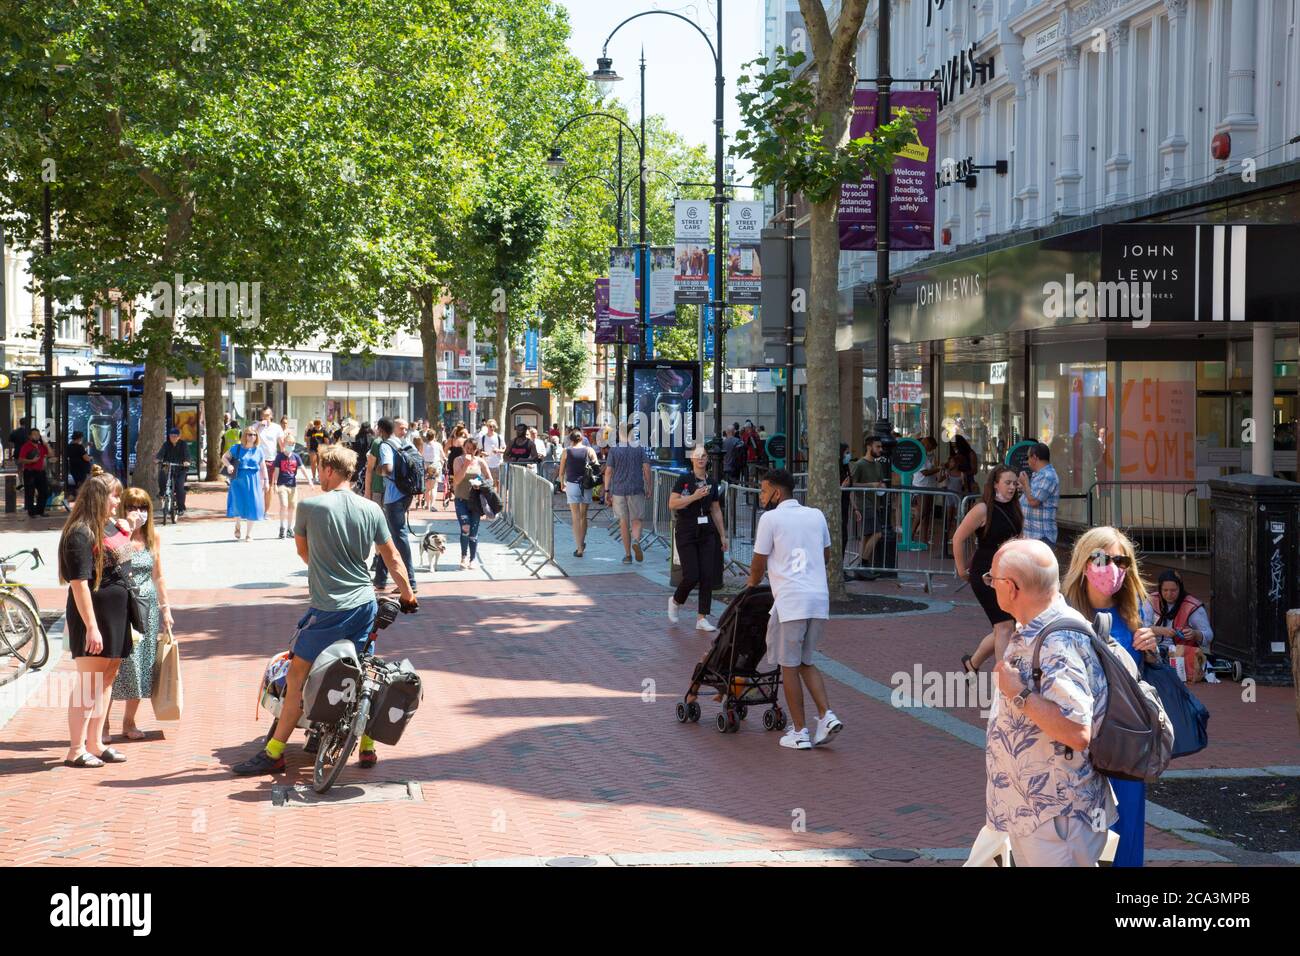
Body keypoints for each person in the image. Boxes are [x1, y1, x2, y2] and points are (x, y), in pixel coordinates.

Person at [233, 444, 417, 775]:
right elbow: (392, 557)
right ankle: (367, 747)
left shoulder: (310, 507)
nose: (318, 475)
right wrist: (408, 595)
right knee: (363, 671)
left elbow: (303, 552)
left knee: (297, 675)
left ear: (330, 470)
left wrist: (325, 568)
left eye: (320, 469)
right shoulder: (371, 509)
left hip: (328, 608)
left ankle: (274, 752)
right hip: (364, 604)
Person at [984, 538, 1121, 866]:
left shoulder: (1057, 641)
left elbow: (1076, 731)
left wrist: (1018, 693)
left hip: (1058, 815)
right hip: (1040, 812)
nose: (990, 585)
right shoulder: (1038, 628)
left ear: (1011, 587)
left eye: (992, 579)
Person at [1062, 526, 1159, 868]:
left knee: (1124, 835)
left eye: (1122, 561)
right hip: (1076, 747)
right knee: (1080, 838)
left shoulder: (1137, 612)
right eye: (1103, 558)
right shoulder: (1063, 613)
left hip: (1124, 746)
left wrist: (1151, 652)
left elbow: (1143, 681)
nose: (1113, 568)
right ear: (1084, 562)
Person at [744, 468, 842, 750]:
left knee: (788, 665)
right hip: (818, 598)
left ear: (776, 492)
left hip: (791, 601)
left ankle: (799, 732)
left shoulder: (770, 519)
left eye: (764, 491)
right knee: (805, 661)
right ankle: (826, 715)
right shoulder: (816, 515)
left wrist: (751, 584)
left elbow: (758, 562)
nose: (761, 496)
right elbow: (825, 555)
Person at [59, 472, 134, 767]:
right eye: (114, 495)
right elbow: (79, 583)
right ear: (99, 497)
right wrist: (91, 627)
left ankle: (96, 742)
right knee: (89, 682)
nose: (118, 501)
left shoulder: (108, 526)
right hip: (94, 615)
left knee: (106, 680)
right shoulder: (80, 533)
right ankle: (75, 749)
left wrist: (127, 531)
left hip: (116, 613)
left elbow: (123, 561)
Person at [111, 487, 174, 741]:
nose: (138, 513)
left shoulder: (153, 537)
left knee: (141, 665)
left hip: (146, 609)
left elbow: (158, 575)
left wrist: (166, 609)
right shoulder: (115, 535)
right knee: (114, 666)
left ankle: (129, 721)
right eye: (132, 507)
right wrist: (127, 531)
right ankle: (102, 723)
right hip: (122, 607)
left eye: (143, 507)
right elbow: (118, 565)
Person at [954, 466, 1024, 674]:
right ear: (995, 484)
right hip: (985, 573)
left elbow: (1017, 539)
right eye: (1007, 483)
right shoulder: (982, 509)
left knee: (1007, 626)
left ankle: (972, 663)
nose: (1012, 487)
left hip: (1008, 573)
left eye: (1014, 483)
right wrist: (961, 569)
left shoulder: (1015, 507)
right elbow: (958, 538)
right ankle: (1003, 682)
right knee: (1004, 626)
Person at [667, 444, 727, 631]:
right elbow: (672, 503)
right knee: (692, 575)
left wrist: (723, 535)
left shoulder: (712, 482)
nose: (701, 458)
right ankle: (676, 601)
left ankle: (702, 618)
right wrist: (693, 497)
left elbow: (716, 509)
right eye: (697, 455)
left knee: (707, 574)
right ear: (692, 458)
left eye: (704, 455)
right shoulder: (684, 479)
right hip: (686, 529)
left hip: (706, 531)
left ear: (707, 459)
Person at [372, 417, 418, 593]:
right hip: (406, 494)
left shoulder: (386, 445)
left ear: (381, 430)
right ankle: (380, 579)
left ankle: (409, 581)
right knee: (388, 536)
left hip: (393, 497)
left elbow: (388, 468)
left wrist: (378, 469)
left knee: (399, 537)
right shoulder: (405, 444)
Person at [1147, 568, 1214, 681]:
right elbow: (1140, 627)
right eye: (1165, 590)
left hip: (1180, 652)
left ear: (1180, 589)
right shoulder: (1151, 600)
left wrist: (1195, 634)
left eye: (1173, 590)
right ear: (1160, 589)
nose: (1169, 594)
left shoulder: (1192, 606)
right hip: (1154, 648)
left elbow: (1209, 636)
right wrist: (1160, 630)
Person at [605, 425, 652, 564]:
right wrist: (649, 486)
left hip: (619, 491)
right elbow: (646, 468)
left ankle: (627, 555)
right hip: (636, 488)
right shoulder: (639, 448)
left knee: (623, 522)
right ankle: (636, 541)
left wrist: (607, 490)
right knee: (637, 520)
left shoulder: (614, 449)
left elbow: (608, 471)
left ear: (620, 434)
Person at [849, 435, 889, 579]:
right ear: (869, 447)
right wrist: (855, 507)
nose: (880, 449)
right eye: (878, 446)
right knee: (877, 534)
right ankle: (863, 564)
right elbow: (851, 484)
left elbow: (880, 482)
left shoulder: (878, 465)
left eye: (881, 447)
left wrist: (882, 486)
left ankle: (861, 569)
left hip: (875, 502)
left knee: (866, 536)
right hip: (864, 503)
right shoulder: (859, 465)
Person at [452, 437, 492, 569]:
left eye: (473, 449)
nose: (470, 451)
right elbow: (457, 480)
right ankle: (463, 557)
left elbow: (490, 479)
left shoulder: (480, 461)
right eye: (467, 448)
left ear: (476, 449)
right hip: (461, 499)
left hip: (476, 501)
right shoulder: (458, 460)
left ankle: (472, 559)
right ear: (464, 448)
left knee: (473, 532)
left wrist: (481, 484)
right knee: (465, 528)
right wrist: (466, 465)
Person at [222, 425, 266, 540]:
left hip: (254, 480)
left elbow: (263, 466)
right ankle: (238, 525)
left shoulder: (259, 450)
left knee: (253, 505)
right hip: (238, 480)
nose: (252, 437)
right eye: (250, 434)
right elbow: (224, 457)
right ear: (245, 436)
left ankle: (249, 534)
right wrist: (229, 465)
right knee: (238, 503)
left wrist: (266, 480)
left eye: (254, 435)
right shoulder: (236, 448)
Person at [559, 429, 598, 557]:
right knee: (583, 516)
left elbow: (561, 471)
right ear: (582, 439)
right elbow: (596, 467)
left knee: (575, 517)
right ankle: (582, 542)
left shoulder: (566, 451)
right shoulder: (589, 450)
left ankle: (579, 547)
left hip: (572, 484)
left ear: (570, 440)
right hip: (586, 485)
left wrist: (562, 483)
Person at [1019, 442, 1060, 547]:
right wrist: (1023, 487)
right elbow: (1031, 496)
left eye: (1028, 458)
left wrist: (1025, 484)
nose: (1027, 461)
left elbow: (1034, 501)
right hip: (1032, 536)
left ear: (1034, 457)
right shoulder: (1039, 475)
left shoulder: (1048, 475)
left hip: (1041, 537)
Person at [271, 434, 305, 539]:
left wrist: (310, 481)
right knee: (284, 505)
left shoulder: (296, 457)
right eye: (289, 443)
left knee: (292, 507)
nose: (291, 445)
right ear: (284, 444)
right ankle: (282, 528)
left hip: (293, 486)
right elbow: (276, 471)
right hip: (282, 485)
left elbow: (303, 469)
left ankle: (290, 529)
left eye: (292, 444)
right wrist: (274, 484)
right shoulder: (279, 456)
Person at [154, 426, 191, 515]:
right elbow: (161, 454)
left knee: (179, 487)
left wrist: (186, 461)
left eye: (175, 436)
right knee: (162, 474)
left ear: (179, 437)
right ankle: (162, 492)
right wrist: (157, 459)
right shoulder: (166, 444)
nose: (173, 438)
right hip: (168, 467)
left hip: (180, 469)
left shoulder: (183, 445)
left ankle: (181, 508)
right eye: (171, 436)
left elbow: (187, 455)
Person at [254, 406, 284, 514]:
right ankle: (256, 509)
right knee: (257, 485)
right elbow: (249, 436)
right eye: (263, 415)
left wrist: (283, 459)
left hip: (271, 460)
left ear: (271, 416)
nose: (265, 417)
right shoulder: (256, 426)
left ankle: (265, 511)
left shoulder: (277, 428)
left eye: (267, 415)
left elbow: (282, 444)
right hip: (257, 460)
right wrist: (259, 426)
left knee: (268, 487)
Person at [18, 427, 51, 518]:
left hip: (41, 472)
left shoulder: (41, 446)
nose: (36, 436)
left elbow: (51, 454)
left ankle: (40, 510)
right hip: (30, 472)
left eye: (38, 434)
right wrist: (31, 461)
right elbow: (20, 460)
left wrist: (46, 445)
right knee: (30, 493)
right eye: (34, 434)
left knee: (44, 492)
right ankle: (31, 512)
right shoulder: (26, 446)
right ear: (30, 436)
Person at [65, 431, 93, 503]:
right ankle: (74, 499)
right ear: (80, 438)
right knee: (82, 485)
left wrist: (86, 445)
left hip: (74, 469)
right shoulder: (79, 447)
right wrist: (90, 458)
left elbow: (78, 451)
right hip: (81, 470)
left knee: (79, 484)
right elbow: (86, 458)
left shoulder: (69, 446)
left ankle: (73, 498)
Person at [443, 424, 467, 508]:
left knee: (453, 477)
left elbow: (445, 449)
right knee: (460, 475)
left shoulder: (451, 440)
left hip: (452, 460)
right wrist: (467, 434)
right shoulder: (464, 440)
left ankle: (454, 491)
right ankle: (458, 493)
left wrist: (446, 457)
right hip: (461, 460)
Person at [422, 429, 445, 510]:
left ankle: (427, 505)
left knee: (427, 487)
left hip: (426, 465)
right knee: (434, 487)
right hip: (435, 465)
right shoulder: (438, 445)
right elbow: (443, 455)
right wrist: (444, 460)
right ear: (434, 436)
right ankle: (432, 505)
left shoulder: (423, 445)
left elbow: (421, 454)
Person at [479, 419, 504, 485]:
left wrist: (498, 450)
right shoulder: (483, 438)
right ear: (487, 426)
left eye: (494, 426)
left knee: (498, 483)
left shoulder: (499, 437)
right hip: (486, 465)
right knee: (487, 484)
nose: (492, 428)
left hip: (497, 464)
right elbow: (478, 451)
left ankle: (497, 492)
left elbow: (505, 449)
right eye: (490, 426)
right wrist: (483, 453)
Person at [305, 418, 328, 485]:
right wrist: (308, 448)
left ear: (320, 424)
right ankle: (314, 477)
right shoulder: (311, 431)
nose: (317, 427)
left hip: (321, 449)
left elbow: (326, 441)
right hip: (313, 448)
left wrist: (326, 450)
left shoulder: (324, 431)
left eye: (318, 426)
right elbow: (308, 440)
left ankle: (320, 477)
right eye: (315, 426)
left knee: (320, 464)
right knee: (313, 463)